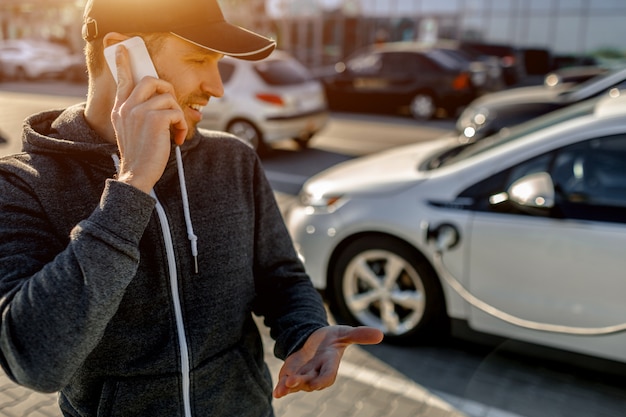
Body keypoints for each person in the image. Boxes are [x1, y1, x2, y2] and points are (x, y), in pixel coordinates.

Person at [0, 0, 383, 416]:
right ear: (123, 55)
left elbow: (280, 274)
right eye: (199, 59)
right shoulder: (21, 185)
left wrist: (305, 330)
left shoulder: (233, 159)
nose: (217, 87)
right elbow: (34, 361)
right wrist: (132, 185)